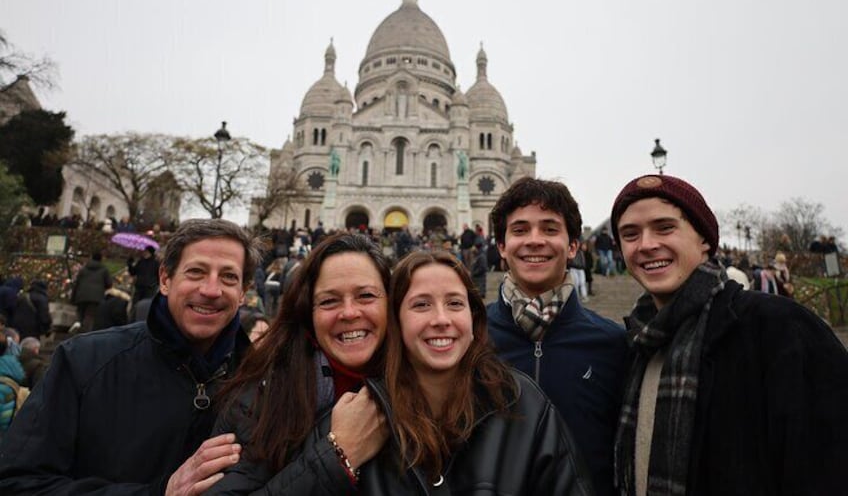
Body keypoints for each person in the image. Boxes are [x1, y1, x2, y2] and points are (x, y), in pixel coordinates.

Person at [609, 174, 848, 495]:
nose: (647, 244)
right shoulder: (639, 343)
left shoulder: (781, 326)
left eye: (665, 227)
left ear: (704, 239)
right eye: (630, 234)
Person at [0, 219, 263, 494]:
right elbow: (16, 484)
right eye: (196, 272)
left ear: (243, 292)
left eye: (229, 277)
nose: (211, 290)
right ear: (165, 279)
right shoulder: (83, 361)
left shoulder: (267, 382)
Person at [342, 250, 593, 494]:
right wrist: (339, 455)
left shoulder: (524, 402)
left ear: (473, 319)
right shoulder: (358, 414)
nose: (441, 319)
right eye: (421, 304)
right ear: (396, 321)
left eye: (454, 303)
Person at [206, 233, 390, 494]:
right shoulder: (261, 396)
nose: (349, 313)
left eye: (366, 296)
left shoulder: (427, 388)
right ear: (307, 311)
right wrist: (337, 457)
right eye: (329, 300)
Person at [486, 176, 627, 496]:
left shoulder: (613, 343)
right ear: (502, 247)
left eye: (550, 229)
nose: (534, 240)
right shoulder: (468, 338)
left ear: (573, 245)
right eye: (520, 230)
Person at [70, 250, 112, 333]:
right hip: (95, 297)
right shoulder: (104, 270)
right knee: (90, 316)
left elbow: (77, 283)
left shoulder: (84, 269)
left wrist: (73, 297)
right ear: (101, 259)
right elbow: (109, 284)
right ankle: (85, 333)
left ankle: (78, 326)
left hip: (81, 295)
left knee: (81, 313)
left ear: (92, 257)